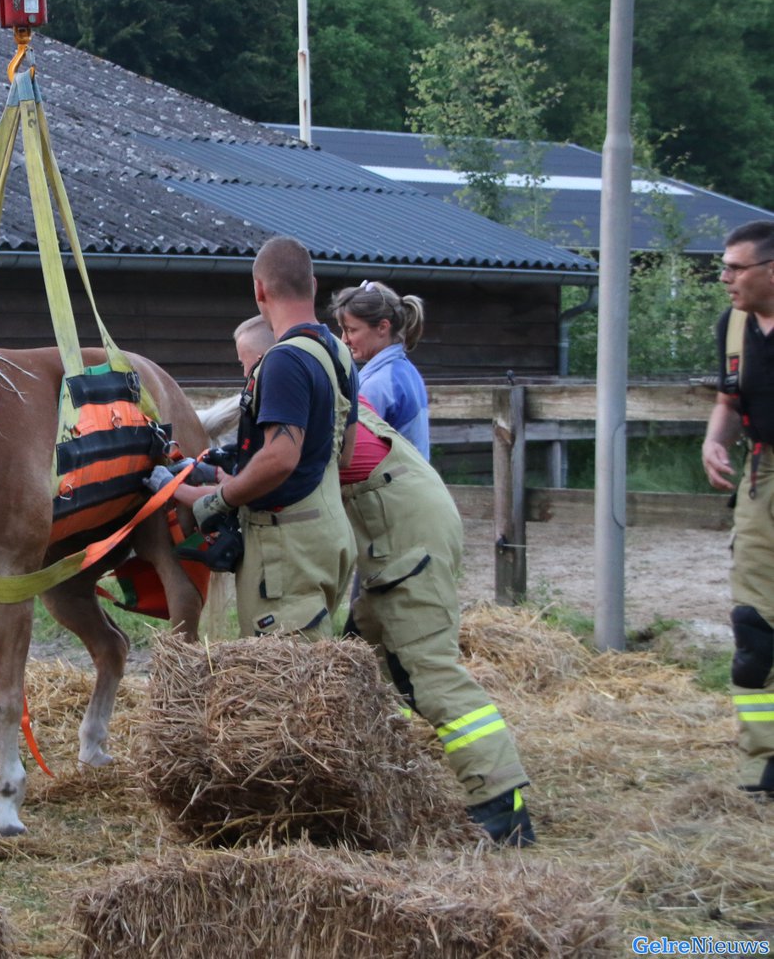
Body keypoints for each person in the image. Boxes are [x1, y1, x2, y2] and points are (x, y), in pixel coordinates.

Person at [237, 318, 535, 845]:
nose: (248, 381)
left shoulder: (297, 391)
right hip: (394, 535)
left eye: (247, 368)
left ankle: (503, 805)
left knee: (427, 668)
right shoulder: (328, 381)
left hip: (406, 539)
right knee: (359, 662)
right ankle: (379, 784)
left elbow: (281, 467)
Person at [171, 236, 359, 639]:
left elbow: (281, 458)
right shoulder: (337, 352)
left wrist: (216, 498)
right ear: (313, 284)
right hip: (329, 533)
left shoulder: (284, 359)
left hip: (286, 546)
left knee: (285, 682)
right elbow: (343, 454)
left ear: (259, 290)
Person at [704, 219, 774, 798]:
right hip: (762, 478)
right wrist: (714, 439)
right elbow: (729, 398)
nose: (725, 278)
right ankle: (764, 762)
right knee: (754, 629)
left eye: (736, 268)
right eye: (723, 266)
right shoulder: (734, 326)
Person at [330, 280, 430, 458]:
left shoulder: (378, 384)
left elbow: (354, 451)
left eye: (351, 330)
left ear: (383, 327)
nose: (344, 339)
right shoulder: (405, 371)